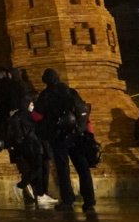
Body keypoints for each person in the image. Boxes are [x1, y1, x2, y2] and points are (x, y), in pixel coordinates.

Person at [33, 68, 94, 211]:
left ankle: (68, 200)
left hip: (58, 136)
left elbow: (37, 116)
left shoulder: (46, 95)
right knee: (83, 167)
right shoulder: (71, 92)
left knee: (63, 169)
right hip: (76, 135)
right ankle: (89, 200)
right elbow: (82, 110)